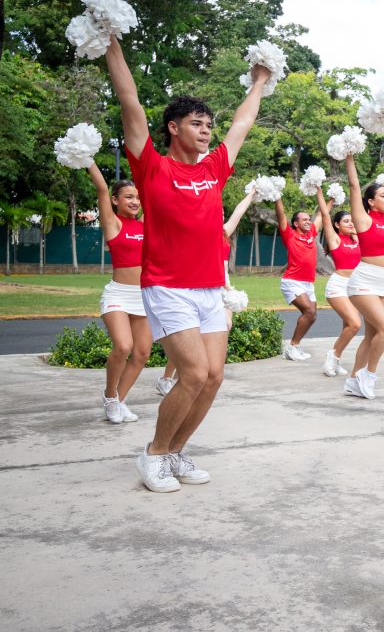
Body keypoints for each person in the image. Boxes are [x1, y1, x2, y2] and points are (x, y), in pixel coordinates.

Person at [107, 35, 269, 492]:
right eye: (197, 124)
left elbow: (242, 124)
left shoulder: (214, 168)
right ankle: (154, 454)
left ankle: (176, 452)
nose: (206, 131)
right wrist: (111, 43)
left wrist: (259, 81)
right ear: (173, 128)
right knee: (193, 372)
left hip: (210, 288)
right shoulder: (152, 167)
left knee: (213, 378)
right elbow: (130, 101)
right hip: (167, 286)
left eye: (208, 125)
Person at [157, 186, 257, 396]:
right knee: (193, 333)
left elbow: (238, 213)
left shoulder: (223, 233)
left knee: (225, 325)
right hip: (205, 283)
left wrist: (251, 194)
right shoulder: (195, 233)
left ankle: (194, 375)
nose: (219, 215)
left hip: (223, 284)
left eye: (220, 212)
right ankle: (169, 377)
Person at [87, 162, 146, 424]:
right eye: (128, 197)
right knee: (123, 346)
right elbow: (101, 188)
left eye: (137, 198)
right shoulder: (113, 223)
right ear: (115, 200)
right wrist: (88, 159)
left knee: (142, 354)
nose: (135, 202)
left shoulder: (145, 223)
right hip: (119, 295)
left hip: (144, 297)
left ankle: (120, 401)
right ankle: (110, 397)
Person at [342, 157, 384, 400]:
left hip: (382, 284)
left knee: (371, 335)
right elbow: (354, 186)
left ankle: (352, 380)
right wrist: (349, 157)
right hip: (363, 281)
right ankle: (369, 375)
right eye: (382, 196)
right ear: (370, 201)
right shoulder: (364, 220)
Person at [274, 189, 329, 362]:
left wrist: (332, 199)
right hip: (292, 281)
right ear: (296, 223)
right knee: (309, 311)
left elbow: (322, 216)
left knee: (312, 316)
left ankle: (295, 346)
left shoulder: (311, 233)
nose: (308, 221)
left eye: (308, 219)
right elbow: (281, 216)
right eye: (304, 219)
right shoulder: (290, 235)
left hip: (307, 283)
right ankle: (292, 346)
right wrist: (277, 197)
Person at [319, 192, 362, 377]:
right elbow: (325, 215)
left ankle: (336, 360)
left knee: (348, 327)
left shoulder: (358, 239)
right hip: (338, 286)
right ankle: (332, 356)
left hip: (354, 287)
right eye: (346, 221)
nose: (350, 223)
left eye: (351, 221)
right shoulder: (335, 239)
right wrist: (319, 190)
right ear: (337, 225)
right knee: (355, 324)